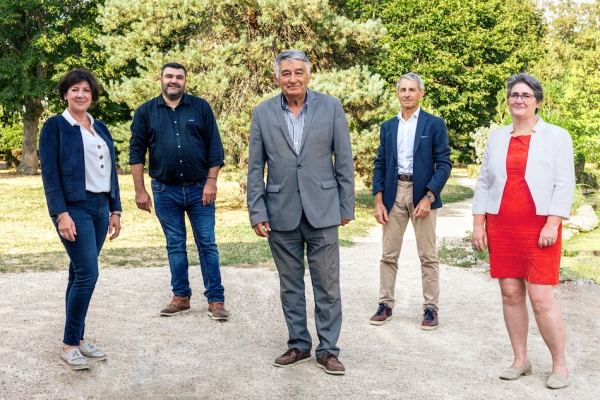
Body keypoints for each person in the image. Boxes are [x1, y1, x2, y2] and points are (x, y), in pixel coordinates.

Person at [247, 50, 355, 375]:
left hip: (323, 211)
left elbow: (345, 160)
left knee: (327, 285)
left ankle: (328, 350)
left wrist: (345, 205)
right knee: (290, 284)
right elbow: (255, 168)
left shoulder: (331, 107)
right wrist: (257, 210)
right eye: (285, 73)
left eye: (298, 72)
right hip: (280, 213)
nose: (292, 78)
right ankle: (298, 344)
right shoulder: (262, 113)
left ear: (308, 75)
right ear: (276, 78)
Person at [472, 73, 575, 389]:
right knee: (510, 293)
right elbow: (484, 183)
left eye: (526, 95)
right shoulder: (497, 137)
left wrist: (553, 222)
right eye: (514, 94)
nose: (519, 99)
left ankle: (559, 366)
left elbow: (564, 182)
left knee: (542, 297)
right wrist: (479, 224)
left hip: (539, 226)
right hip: (502, 224)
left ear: (538, 101)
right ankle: (521, 360)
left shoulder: (557, 136)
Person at [129, 62, 228, 320]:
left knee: (207, 244)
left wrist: (211, 181)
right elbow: (136, 153)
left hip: (199, 190)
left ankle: (216, 300)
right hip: (164, 191)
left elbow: (215, 148)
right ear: (160, 79)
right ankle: (181, 297)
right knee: (175, 244)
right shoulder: (145, 112)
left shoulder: (201, 107)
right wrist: (140, 191)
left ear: (185, 81)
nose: (174, 81)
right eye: (169, 76)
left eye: (179, 77)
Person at [39, 68, 122, 370]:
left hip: (101, 207)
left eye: (86, 90)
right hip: (74, 208)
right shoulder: (55, 127)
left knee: (78, 274)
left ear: (92, 95)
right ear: (65, 94)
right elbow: (49, 175)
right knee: (88, 274)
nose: (80, 95)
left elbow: (111, 170)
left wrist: (115, 209)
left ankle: (79, 337)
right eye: (74, 90)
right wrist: (61, 214)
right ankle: (70, 344)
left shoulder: (100, 127)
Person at [370, 73, 452, 330]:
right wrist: (378, 200)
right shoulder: (388, 127)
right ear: (397, 93)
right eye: (403, 89)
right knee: (388, 254)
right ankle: (385, 304)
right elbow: (380, 164)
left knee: (427, 255)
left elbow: (444, 163)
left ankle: (430, 309)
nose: (407, 94)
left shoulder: (434, 124)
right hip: (394, 194)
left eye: (412, 89)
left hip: (422, 194)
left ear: (421, 93)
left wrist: (430, 196)